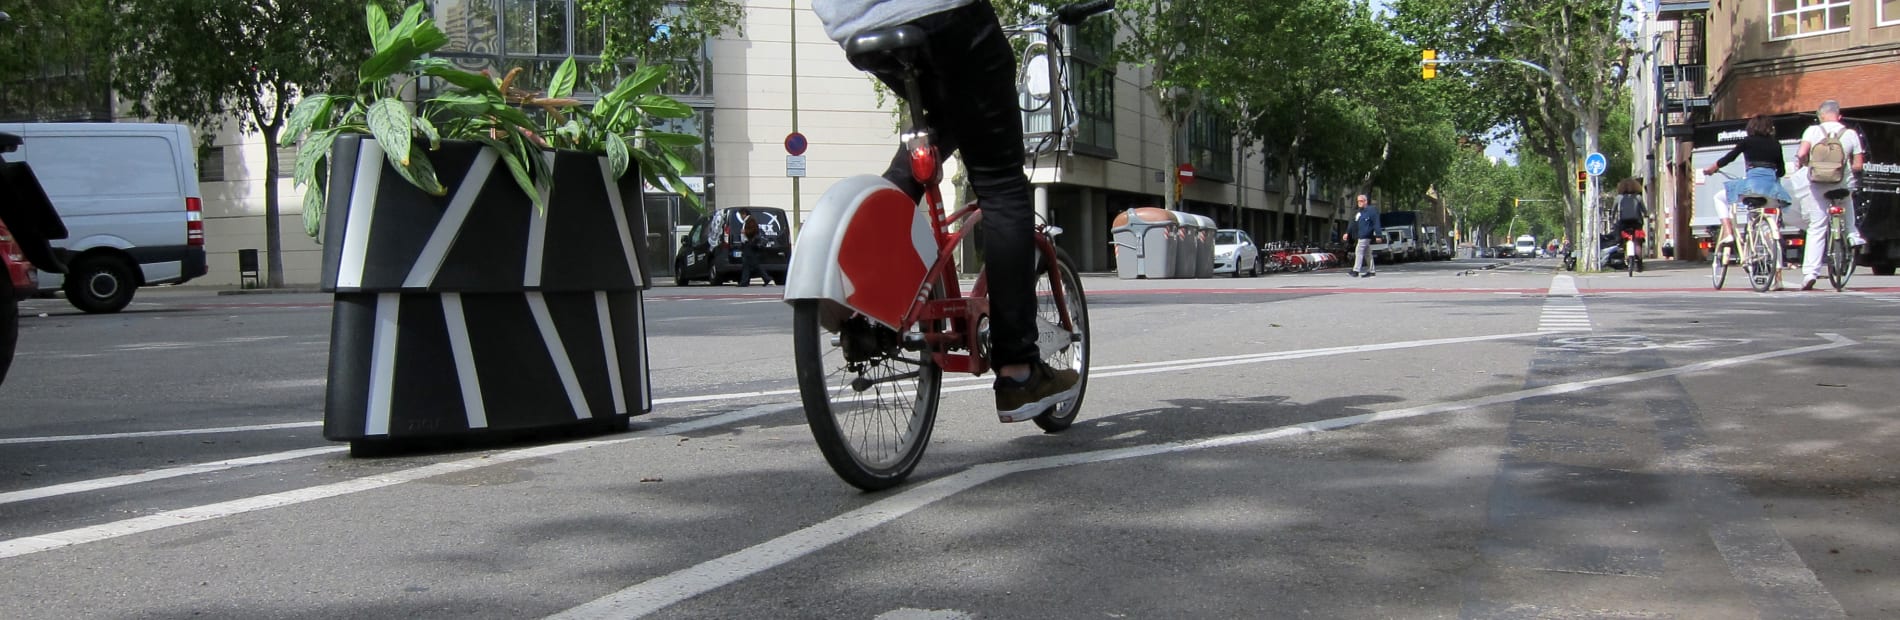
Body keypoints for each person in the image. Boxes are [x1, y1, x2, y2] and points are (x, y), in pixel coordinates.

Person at [811, 0, 1078, 422]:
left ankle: (853, 277)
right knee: (1001, 181)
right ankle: (1018, 372)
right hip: (943, 11)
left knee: (952, 114)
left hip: (853, 22)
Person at [1794, 99, 1867, 290]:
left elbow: (1802, 154)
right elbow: (1858, 164)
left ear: (1820, 115)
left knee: (1817, 227)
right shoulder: (1851, 134)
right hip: (1842, 182)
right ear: (1839, 115)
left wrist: (1801, 163)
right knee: (1847, 198)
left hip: (1818, 184)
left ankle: (1810, 273)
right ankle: (1852, 234)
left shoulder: (1812, 131)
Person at [1702, 115, 1792, 250]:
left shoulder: (1747, 141)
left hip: (1751, 187)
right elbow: (1782, 171)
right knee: (1769, 222)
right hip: (1771, 191)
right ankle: (1776, 260)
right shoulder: (1776, 144)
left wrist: (1712, 168)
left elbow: (1729, 158)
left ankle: (1728, 232)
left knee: (1719, 198)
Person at [1612, 178, 1649, 272]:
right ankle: (1639, 262)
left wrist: (1612, 217)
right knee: (1638, 241)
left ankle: (1624, 249)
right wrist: (1646, 215)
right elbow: (1644, 210)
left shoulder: (1619, 198)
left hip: (1624, 223)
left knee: (1624, 238)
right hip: (1637, 223)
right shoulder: (1638, 197)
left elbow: (1614, 211)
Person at [1341, 194, 1380, 277]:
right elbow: (1353, 223)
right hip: (1360, 235)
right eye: (1358, 201)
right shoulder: (1359, 212)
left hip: (1366, 235)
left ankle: (1356, 270)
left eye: (1361, 201)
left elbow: (1376, 223)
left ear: (1365, 201)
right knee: (1367, 253)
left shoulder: (1371, 210)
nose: (1359, 203)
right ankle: (1371, 271)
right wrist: (1347, 232)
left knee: (1358, 251)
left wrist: (1378, 235)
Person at [736, 208, 764, 287]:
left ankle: (766, 277)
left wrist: (745, 231)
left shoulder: (750, 220)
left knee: (751, 263)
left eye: (741, 215)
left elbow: (754, 230)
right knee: (747, 264)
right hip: (746, 244)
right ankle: (745, 281)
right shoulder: (746, 221)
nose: (741, 217)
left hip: (749, 244)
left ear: (744, 214)